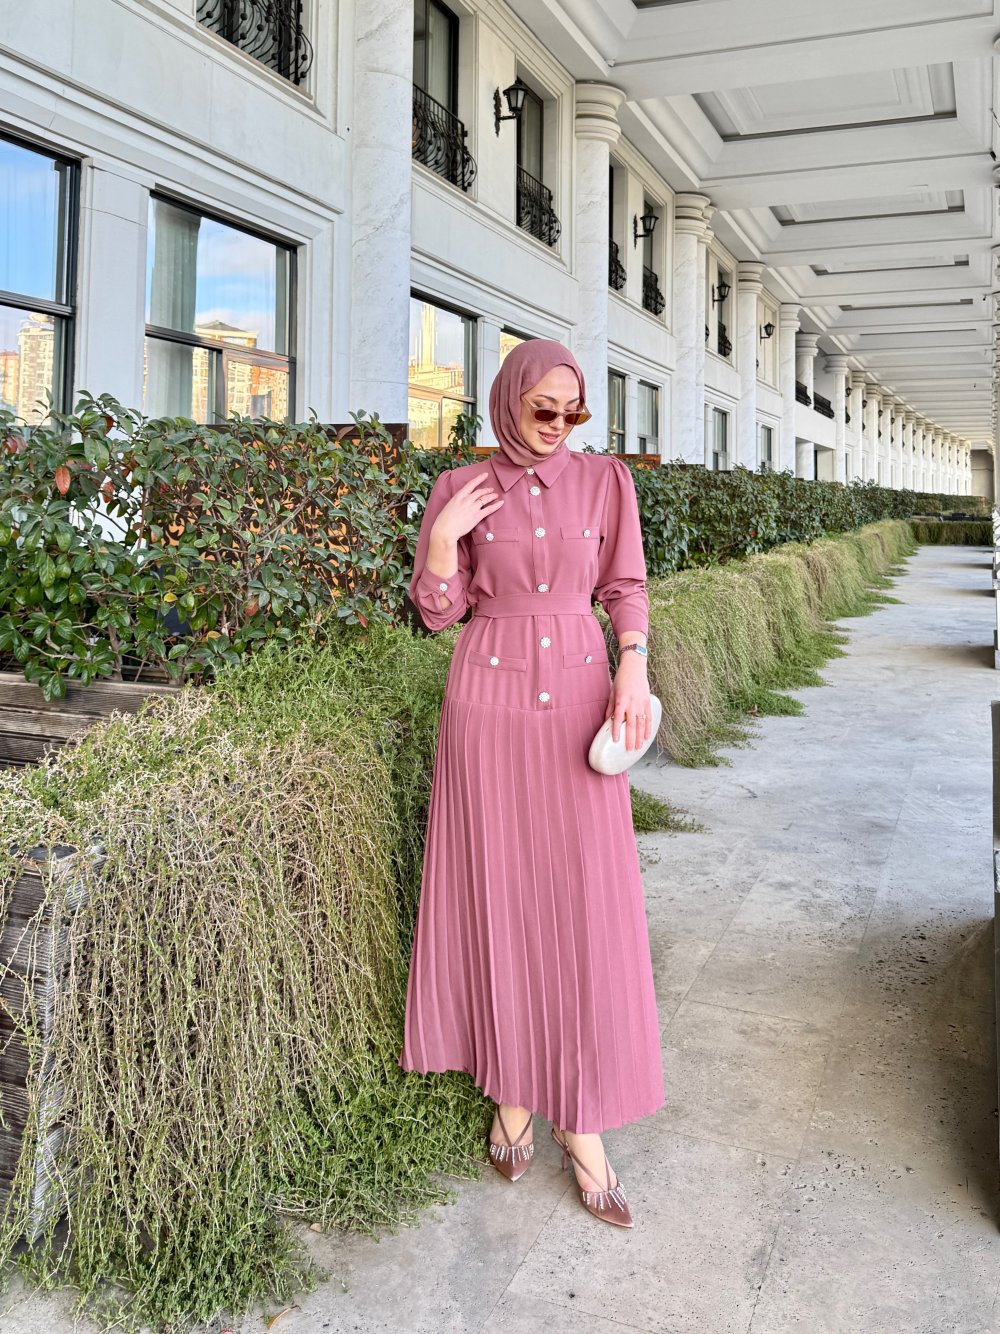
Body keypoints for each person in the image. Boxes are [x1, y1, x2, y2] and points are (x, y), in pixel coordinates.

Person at [399, 339, 663, 1228]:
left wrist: (633, 665)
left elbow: (625, 584)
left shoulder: (605, 482)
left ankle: (581, 1121)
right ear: (508, 400)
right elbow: (437, 614)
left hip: (581, 698)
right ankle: (513, 1091)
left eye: (571, 411)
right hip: (487, 705)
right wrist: (443, 542)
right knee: (501, 896)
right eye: (541, 408)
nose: (556, 424)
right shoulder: (460, 487)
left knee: (584, 905)